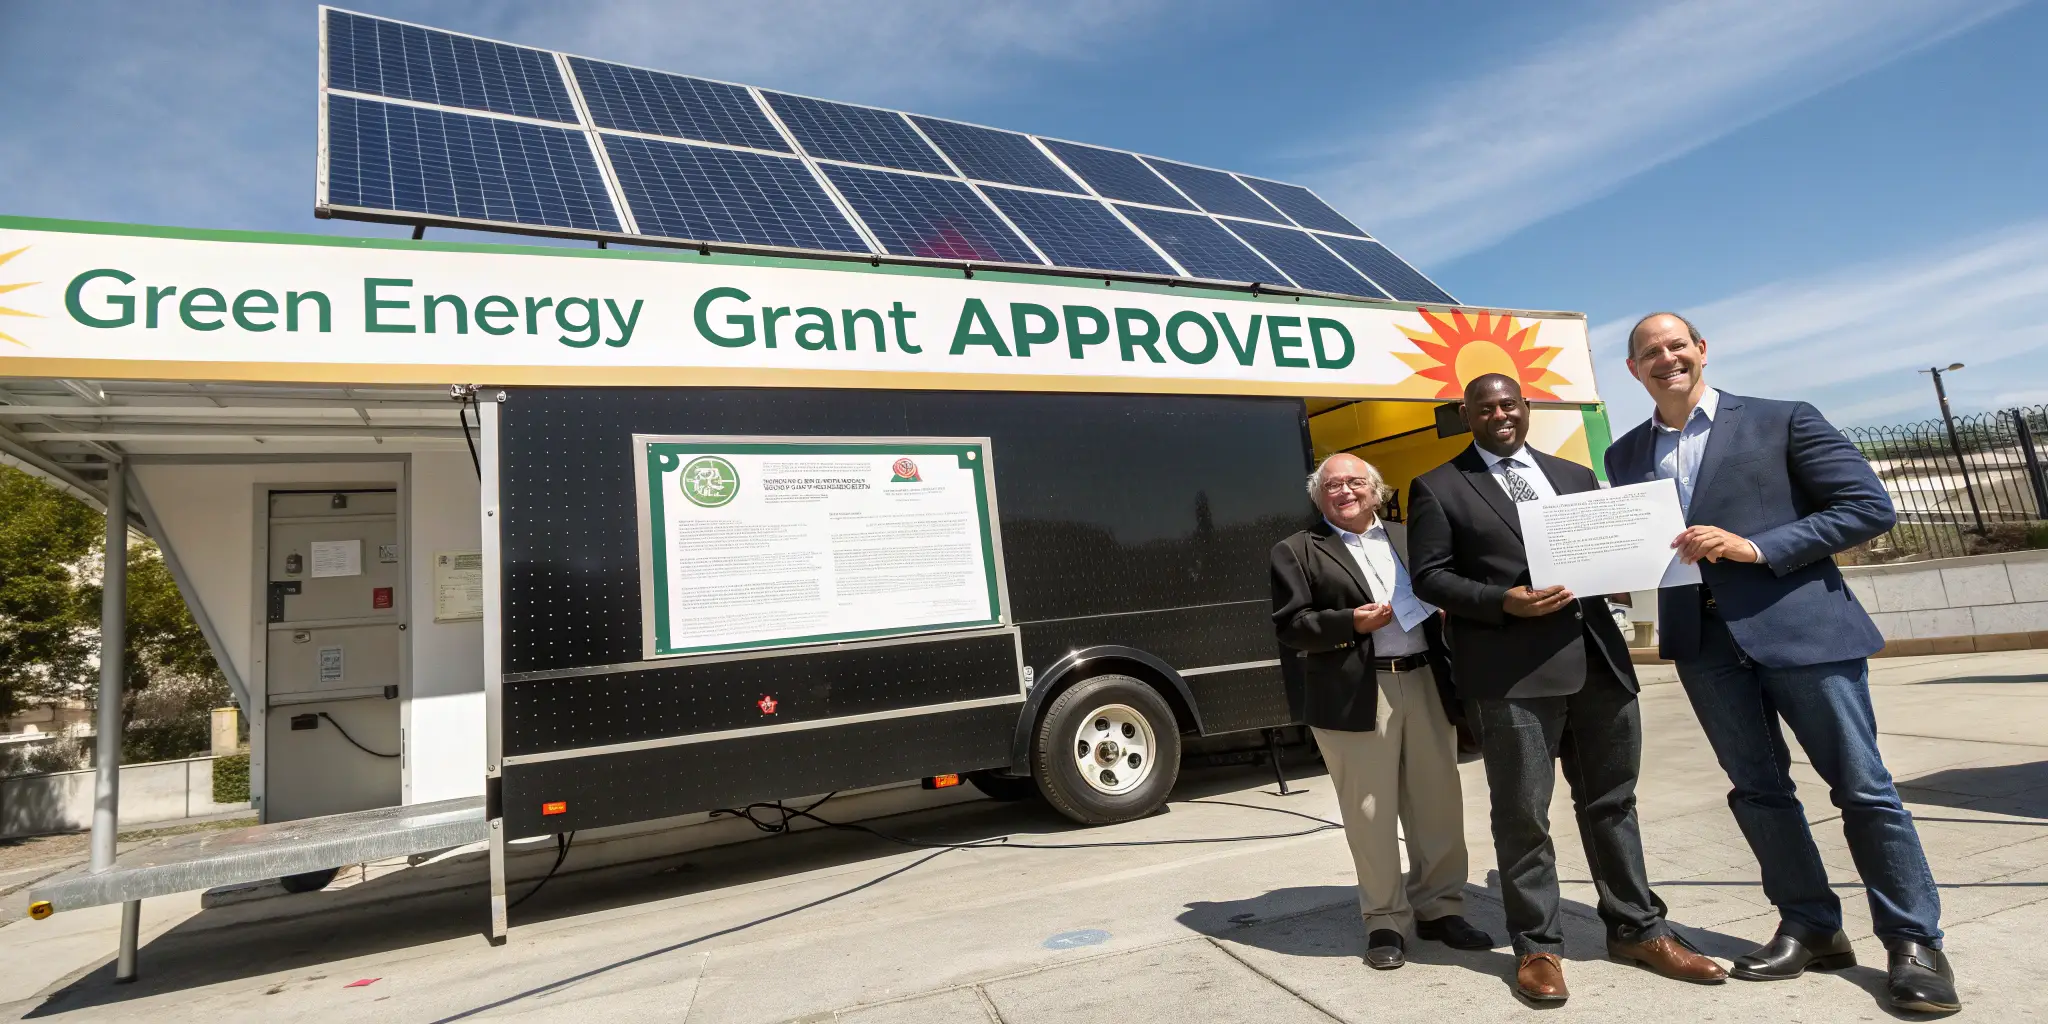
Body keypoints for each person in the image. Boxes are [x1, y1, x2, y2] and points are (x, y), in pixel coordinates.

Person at [1604, 312, 1957, 1015]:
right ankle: (1811, 925)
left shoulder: (1783, 419)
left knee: (1863, 788)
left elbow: (1867, 506)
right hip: (1703, 646)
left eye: (1677, 346)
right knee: (1757, 792)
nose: (1665, 358)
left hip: (1802, 632)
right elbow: (1645, 545)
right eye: (1650, 352)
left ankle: (1913, 941)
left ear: (1702, 351)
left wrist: (1754, 547)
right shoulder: (1623, 455)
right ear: (1633, 370)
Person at [1407, 373, 1727, 1004]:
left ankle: (1637, 929)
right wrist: (1503, 602)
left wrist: (1628, 568)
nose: (1500, 415)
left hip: (1598, 666)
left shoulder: (1574, 476)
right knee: (1524, 815)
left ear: (1526, 409)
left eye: (1510, 404)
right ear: (1466, 415)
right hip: (1513, 678)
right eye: (1485, 408)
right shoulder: (1439, 487)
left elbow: (1603, 556)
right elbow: (1430, 578)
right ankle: (1538, 947)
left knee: (1613, 804)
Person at [1269, 452, 1495, 971]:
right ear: (1318, 496)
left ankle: (1440, 909)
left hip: (1424, 679)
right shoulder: (1297, 550)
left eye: (1354, 483)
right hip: (1357, 690)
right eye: (1332, 486)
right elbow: (1291, 624)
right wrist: (1350, 622)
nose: (1344, 492)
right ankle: (1386, 921)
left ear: (1376, 490)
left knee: (1437, 802)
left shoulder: (1410, 538)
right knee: (1369, 812)